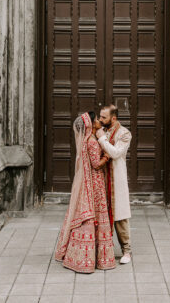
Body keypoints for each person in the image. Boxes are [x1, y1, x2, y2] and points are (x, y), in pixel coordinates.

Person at [55, 111, 116, 273]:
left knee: (90, 216)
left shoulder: (87, 140)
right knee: (95, 214)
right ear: (89, 124)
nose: (98, 122)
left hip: (91, 181)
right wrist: (107, 157)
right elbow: (96, 164)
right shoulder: (92, 142)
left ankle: (81, 256)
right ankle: (90, 258)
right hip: (95, 182)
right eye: (96, 119)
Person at [96, 104, 132, 264]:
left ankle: (127, 251)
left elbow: (116, 153)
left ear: (114, 118)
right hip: (100, 178)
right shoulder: (99, 131)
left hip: (117, 179)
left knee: (120, 216)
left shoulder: (124, 134)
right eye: (100, 116)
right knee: (100, 214)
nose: (100, 119)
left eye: (104, 117)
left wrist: (101, 138)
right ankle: (103, 250)